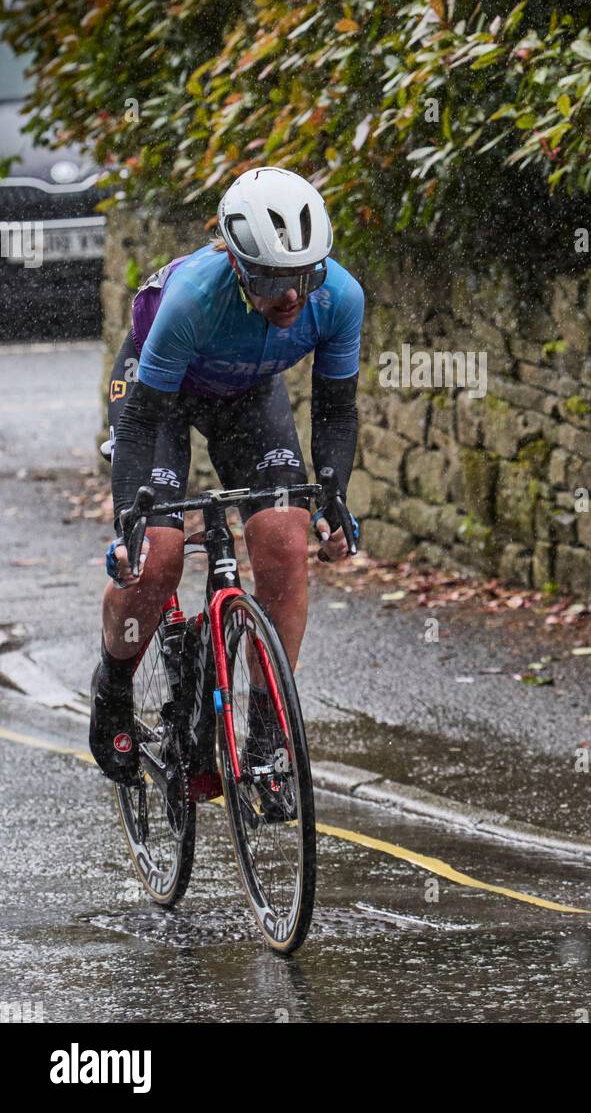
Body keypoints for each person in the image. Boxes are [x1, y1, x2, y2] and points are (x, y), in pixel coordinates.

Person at [90, 167, 363, 784]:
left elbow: (337, 407)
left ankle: (268, 738)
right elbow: (138, 426)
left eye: (305, 273)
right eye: (272, 278)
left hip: (246, 392)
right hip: (159, 395)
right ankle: (111, 688)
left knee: (287, 540)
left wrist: (333, 495)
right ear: (239, 266)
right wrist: (128, 526)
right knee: (157, 556)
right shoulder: (193, 300)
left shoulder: (340, 297)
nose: (292, 294)